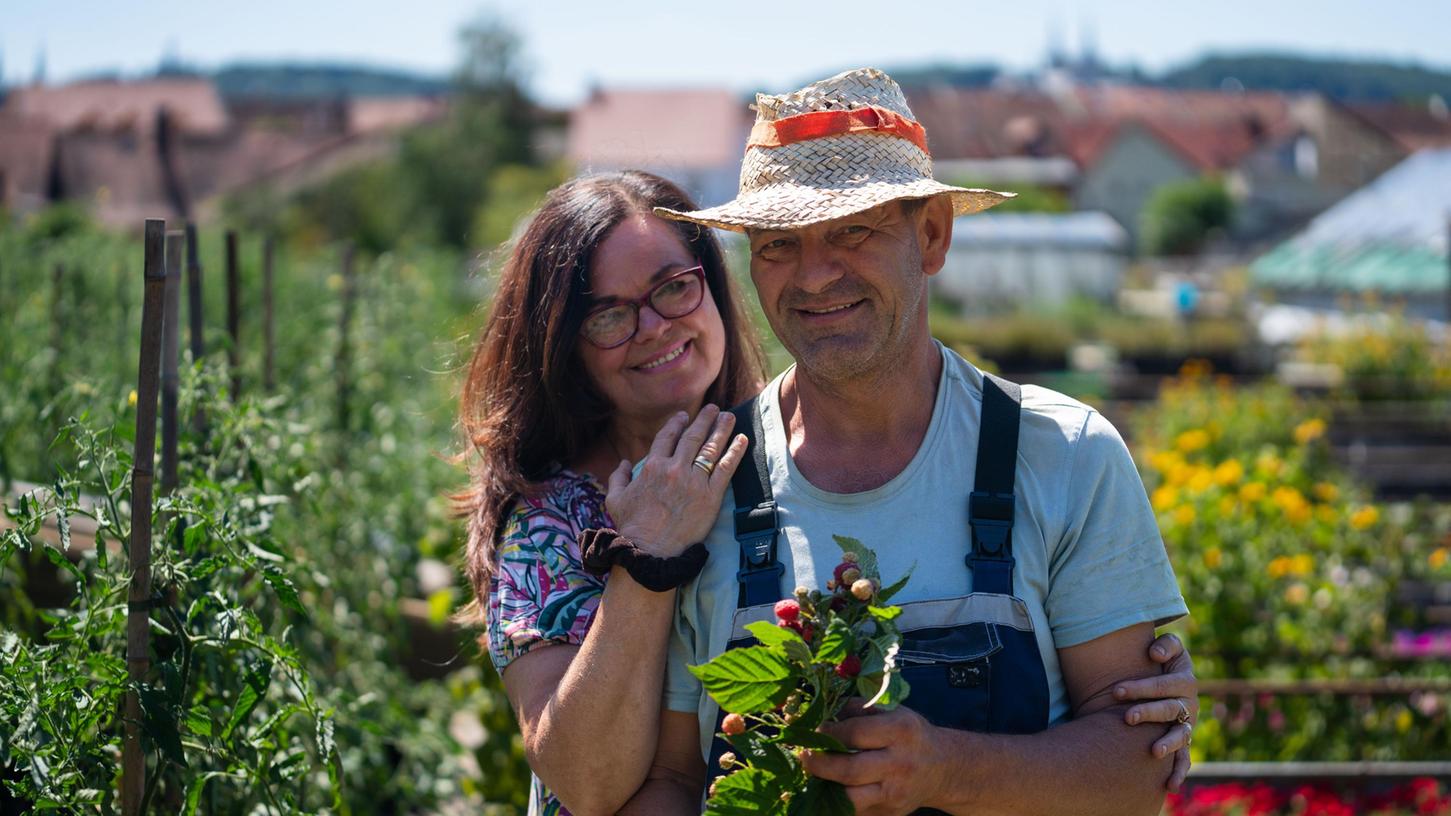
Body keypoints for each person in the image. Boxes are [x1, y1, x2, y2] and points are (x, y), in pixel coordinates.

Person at [622, 68, 1198, 816]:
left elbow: (1138, 770)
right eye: (777, 245)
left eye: (852, 231)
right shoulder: (705, 485)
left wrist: (946, 771)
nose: (814, 274)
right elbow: (672, 780)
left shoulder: (1063, 454)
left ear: (931, 236)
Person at [456, 171, 767, 816]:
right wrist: (647, 552)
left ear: (711, 287)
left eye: (674, 287)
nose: (653, 326)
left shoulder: (796, 466)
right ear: (568, 350)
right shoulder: (547, 523)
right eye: (609, 315)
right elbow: (587, 781)